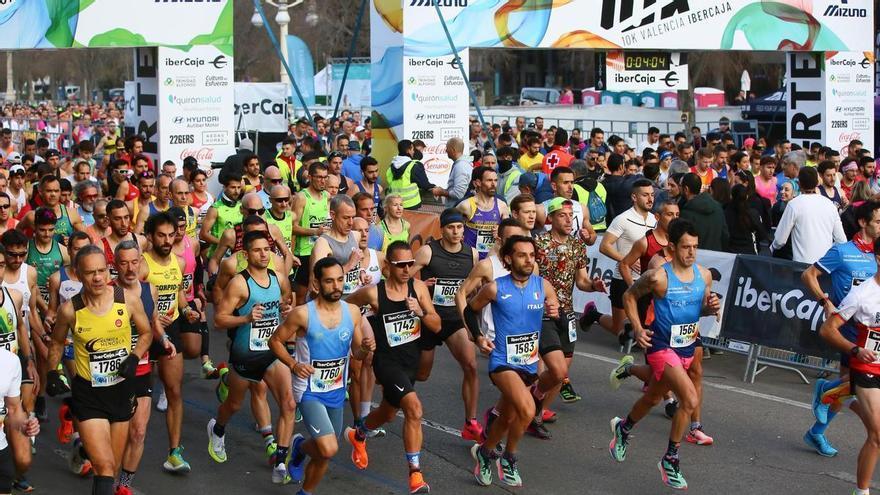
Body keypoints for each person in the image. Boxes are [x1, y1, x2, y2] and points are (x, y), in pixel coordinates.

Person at [609, 219, 720, 490]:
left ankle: (623, 428)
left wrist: (711, 307)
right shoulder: (658, 276)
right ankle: (670, 458)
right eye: (685, 247)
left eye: (695, 247)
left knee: (652, 398)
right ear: (672, 247)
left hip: (686, 347)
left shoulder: (703, 275)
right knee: (689, 399)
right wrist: (636, 327)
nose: (691, 252)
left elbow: (699, 310)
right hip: (661, 346)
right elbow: (630, 297)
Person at [46, 244, 152, 495]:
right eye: (90, 272)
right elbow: (57, 342)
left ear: (108, 270)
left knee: (111, 467)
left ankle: (82, 448)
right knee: (104, 466)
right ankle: (80, 430)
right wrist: (53, 372)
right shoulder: (70, 309)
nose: (97, 277)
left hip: (120, 390)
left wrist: (135, 357)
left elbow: (146, 333)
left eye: (102, 271)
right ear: (79, 275)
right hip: (89, 393)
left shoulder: (126, 300)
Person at [270, 257, 375, 494]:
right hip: (309, 390)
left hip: (337, 390)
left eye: (340, 280)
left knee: (325, 450)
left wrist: (366, 348)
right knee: (328, 448)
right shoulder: (302, 314)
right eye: (329, 281)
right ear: (316, 284)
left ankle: (301, 464)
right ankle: (299, 454)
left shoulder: (353, 312)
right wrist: (293, 364)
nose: (337, 286)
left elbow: (357, 353)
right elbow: (274, 340)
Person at [344, 241, 441, 494]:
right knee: (414, 408)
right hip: (386, 362)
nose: (407, 269)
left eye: (410, 263)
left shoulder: (418, 288)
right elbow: (346, 307)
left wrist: (420, 311)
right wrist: (362, 330)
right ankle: (415, 474)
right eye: (400, 265)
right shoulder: (374, 293)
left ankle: (359, 433)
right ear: (387, 266)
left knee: (387, 413)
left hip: (411, 360)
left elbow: (437, 324)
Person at [465, 235, 559, 488]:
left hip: (528, 363)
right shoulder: (495, 288)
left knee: (506, 418)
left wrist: (553, 310)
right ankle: (508, 458)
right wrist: (478, 337)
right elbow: (469, 310)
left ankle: (485, 452)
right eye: (522, 255)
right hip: (502, 362)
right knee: (527, 409)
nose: (529, 260)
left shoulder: (542, 285)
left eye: (531, 255)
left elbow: (554, 307)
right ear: (508, 259)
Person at [206, 230, 297, 484]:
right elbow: (219, 318)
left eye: (267, 249)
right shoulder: (239, 283)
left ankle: (280, 459)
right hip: (246, 353)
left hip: (271, 351)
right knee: (234, 404)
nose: (264, 254)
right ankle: (218, 429)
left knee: (288, 404)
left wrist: (286, 308)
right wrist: (245, 318)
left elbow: (286, 301)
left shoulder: (279, 277)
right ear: (246, 254)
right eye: (257, 250)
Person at [803, 201, 880, 457]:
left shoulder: (878, 253)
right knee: (855, 385)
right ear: (862, 222)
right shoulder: (843, 251)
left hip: (872, 331)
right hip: (848, 328)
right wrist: (825, 302)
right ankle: (824, 405)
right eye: (878, 221)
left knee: (850, 388)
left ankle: (817, 428)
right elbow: (808, 275)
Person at [532, 198, 606, 427]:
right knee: (557, 369)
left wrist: (593, 286)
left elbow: (581, 281)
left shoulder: (577, 245)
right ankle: (531, 399)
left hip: (567, 314)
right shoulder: (539, 243)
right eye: (562, 215)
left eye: (570, 215)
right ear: (550, 219)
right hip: (544, 313)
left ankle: (537, 412)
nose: (568, 219)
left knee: (562, 371)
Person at [412, 209, 481, 439]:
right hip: (429, 319)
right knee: (422, 375)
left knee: (471, 365)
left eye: (460, 227)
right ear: (442, 229)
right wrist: (421, 284)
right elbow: (403, 277)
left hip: (454, 319)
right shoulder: (428, 252)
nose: (456, 232)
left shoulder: (471, 254)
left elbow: (473, 285)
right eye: (451, 227)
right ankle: (398, 391)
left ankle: (470, 421)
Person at [818, 240, 880, 495]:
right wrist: (855, 350)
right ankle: (861, 492)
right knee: (877, 436)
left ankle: (842, 391)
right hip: (868, 368)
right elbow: (827, 330)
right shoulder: (862, 294)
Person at [140, 212, 197, 473]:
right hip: (141, 333)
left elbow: (179, 295)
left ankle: (174, 453)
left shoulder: (178, 262)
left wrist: (186, 311)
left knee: (174, 391)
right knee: (134, 396)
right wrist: (149, 320)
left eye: (170, 235)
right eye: (160, 235)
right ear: (150, 237)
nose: (166, 240)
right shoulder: (141, 266)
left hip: (171, 328)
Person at [114, 240, 171, 494]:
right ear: (115, 265)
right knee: (114, 434)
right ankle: (104, 475)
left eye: (134, 262)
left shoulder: (150, 290)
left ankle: (123, 485)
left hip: (142, 367)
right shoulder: (108, 292)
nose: (130, 268)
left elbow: (153, 322)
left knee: (138, 432)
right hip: (112, 373)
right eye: (124, 263)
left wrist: (165, 340)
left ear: (140, 262)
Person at [596, 179, 657, 346]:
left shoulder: (654, 220)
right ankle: (594, 315)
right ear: (634, 197)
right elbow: (604, 246)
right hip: (622, 278)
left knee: (642, 324)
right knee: (618, 328)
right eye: (645, 195)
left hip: (647, 280)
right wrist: (626, 261)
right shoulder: (623, 219)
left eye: (652, 195)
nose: (650, 199)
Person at [772, 167, 846, 263]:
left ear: (799, 184)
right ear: (817, 183)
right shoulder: (829, 205)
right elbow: (841, 240)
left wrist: (772, 248)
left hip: (802, 267)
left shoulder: (794, 204)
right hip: (824, 266)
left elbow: (779, 240)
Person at [0, 345, 40, 495]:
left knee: (22, 461)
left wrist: (25, 423)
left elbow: (14, 408)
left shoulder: (10, 361)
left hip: (0, 451)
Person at [456, 167, 509, 260]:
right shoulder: (466, 205)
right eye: (489, 180)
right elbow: (448, 223)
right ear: (478, 183)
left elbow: (509, 232)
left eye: (495, 180)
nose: (493, 184)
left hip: (493, 258)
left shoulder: (502, 205)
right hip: (469, 258)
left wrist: (501, 231)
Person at [386, 140, 444, 210]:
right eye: (413, 149)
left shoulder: (390, 167)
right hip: (411, 205)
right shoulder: (414, 166)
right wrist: (434, 187)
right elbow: (424, 184)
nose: (414, 152)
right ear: (408, 150)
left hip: (394, 205)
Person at [679, 173, 728, 251]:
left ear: (686, 189)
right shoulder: (718, 207)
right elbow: (725, 236)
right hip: (716, 257)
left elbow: (682, 240)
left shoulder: (686, 213)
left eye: (680, 186)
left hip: (695, 258)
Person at [101, 200, 145, 281]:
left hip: (137, 291)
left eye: (126, 217)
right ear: (108, 220)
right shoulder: (100, 246)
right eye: (117, 219)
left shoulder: (141, 241)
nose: (124, 223)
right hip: (114, 291)